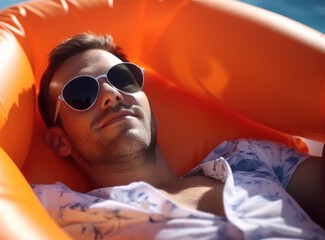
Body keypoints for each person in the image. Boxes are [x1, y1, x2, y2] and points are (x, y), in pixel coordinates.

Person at [33, 33, 325, 239]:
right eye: (81, 93)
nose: (111, 94)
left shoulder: (247, 158)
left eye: (123, 78)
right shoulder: (65, 210)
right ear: (60, 141)